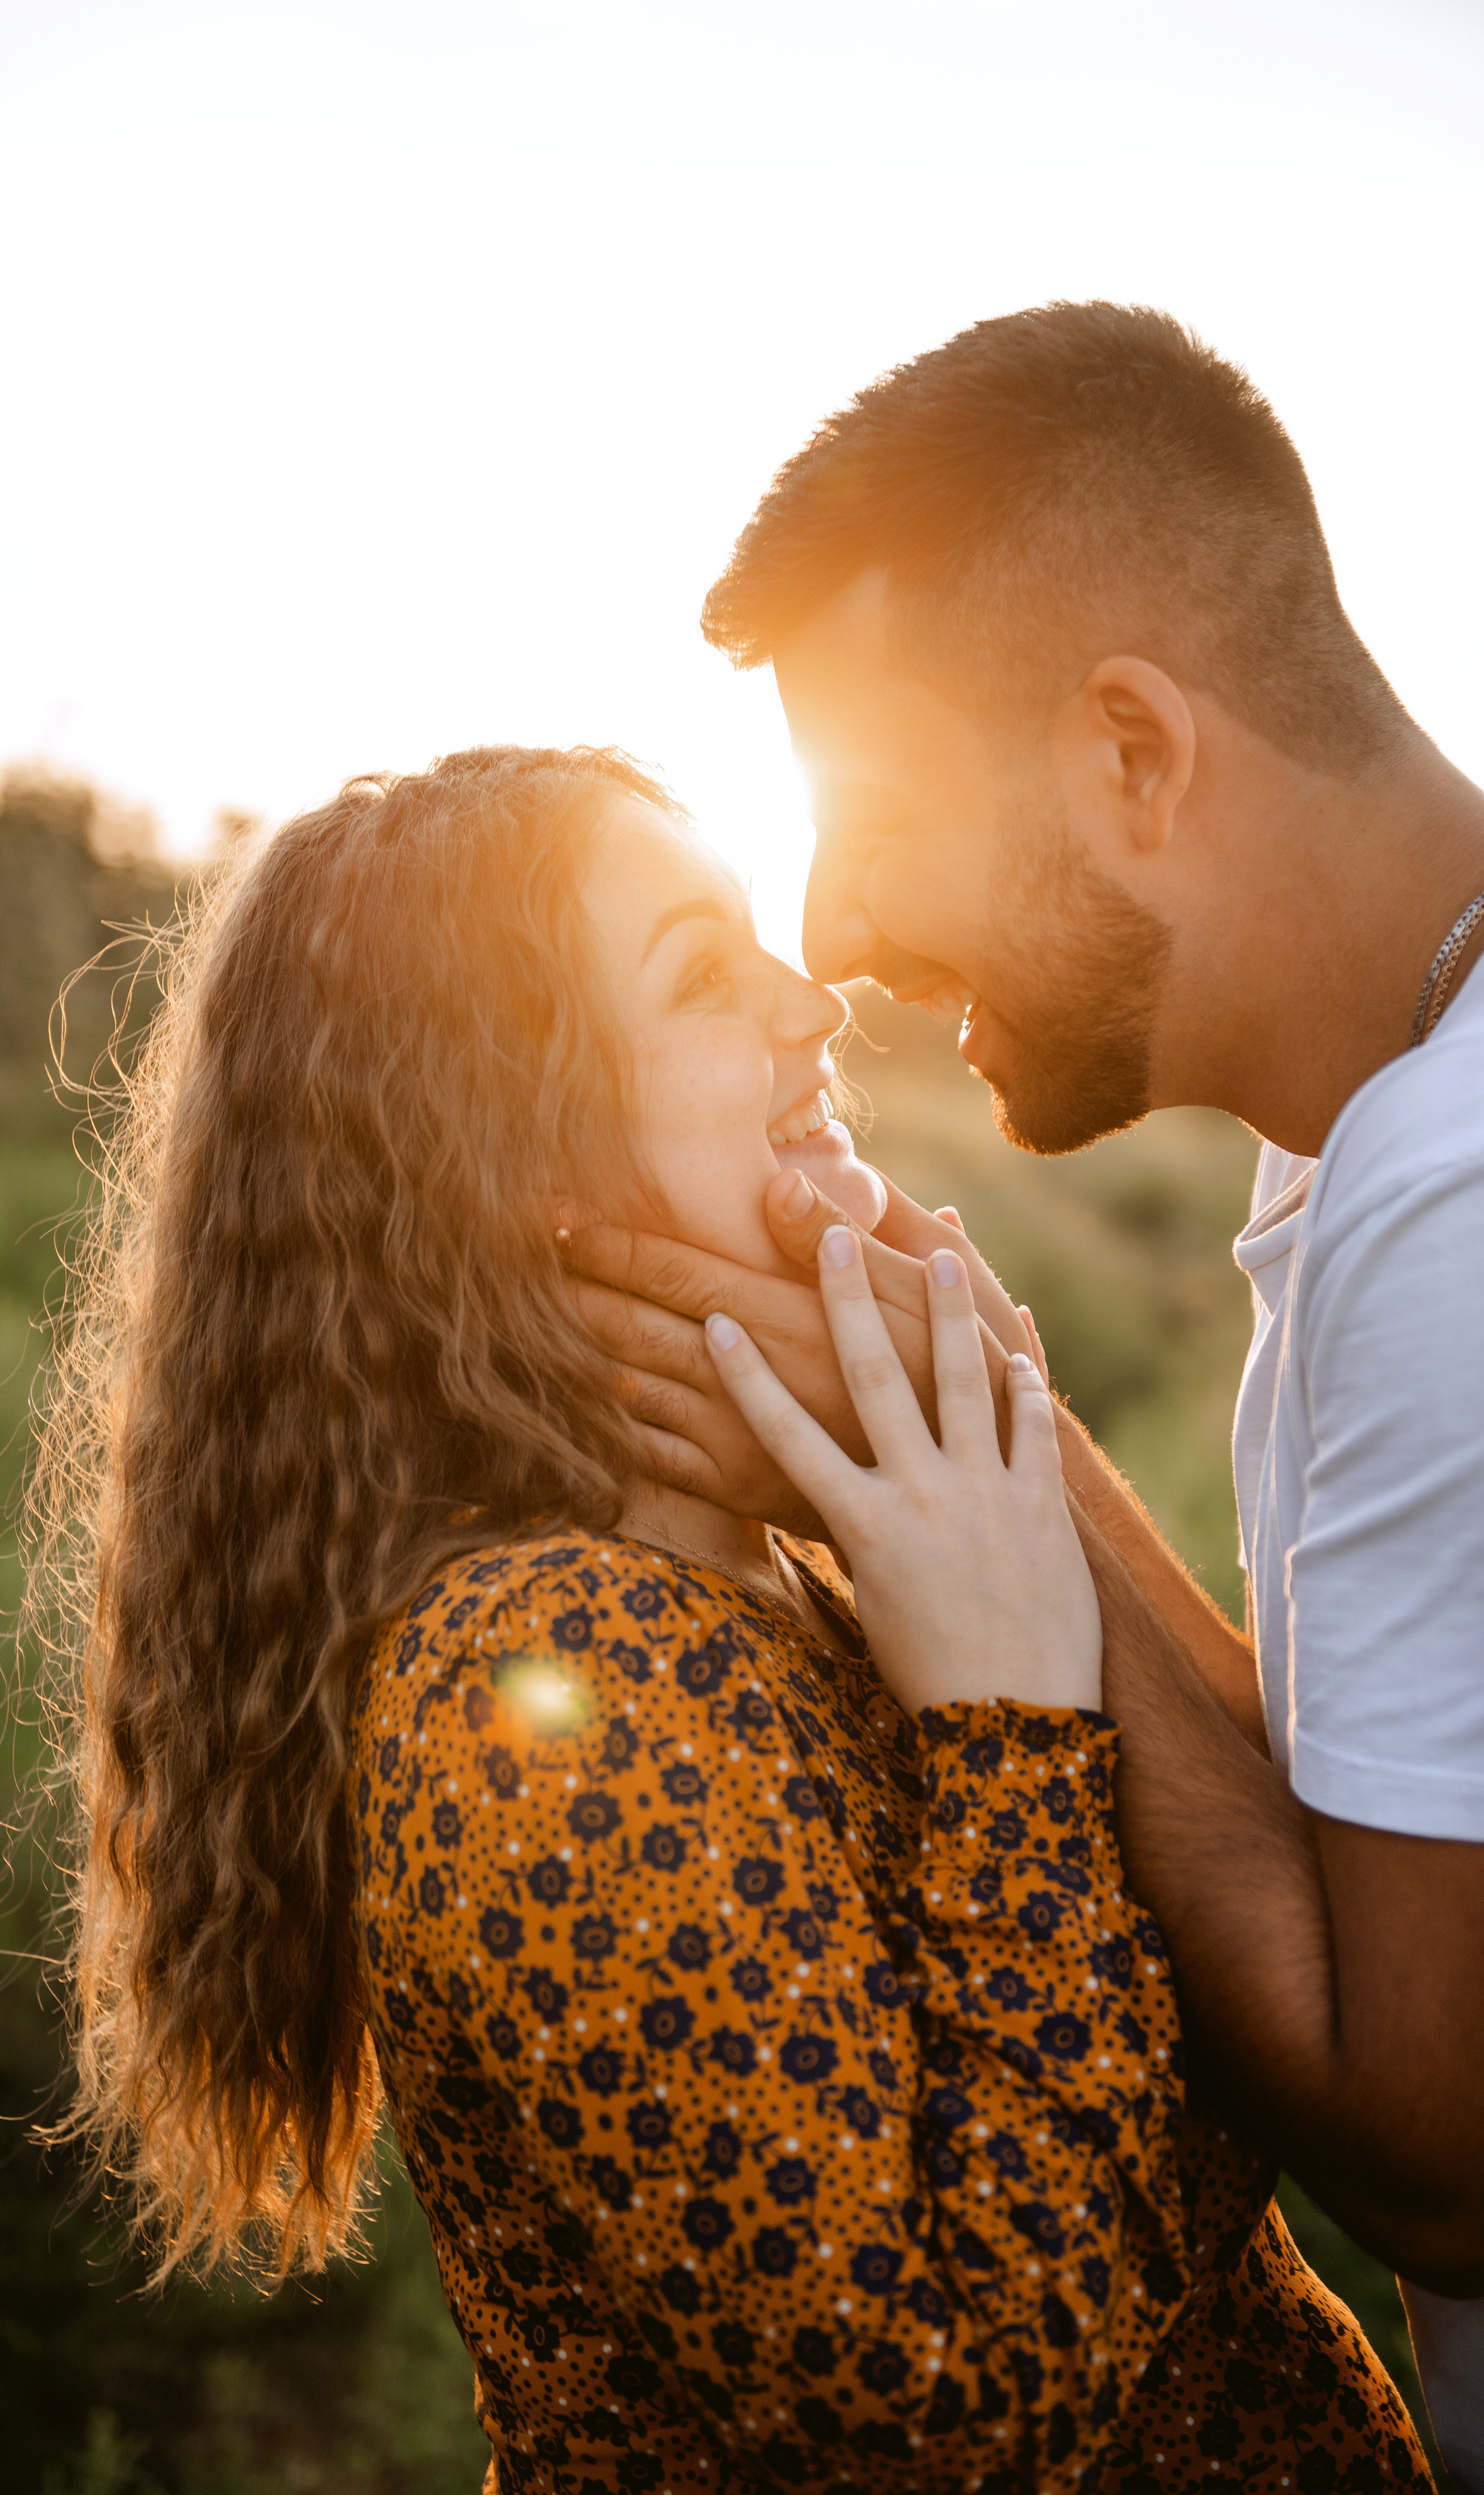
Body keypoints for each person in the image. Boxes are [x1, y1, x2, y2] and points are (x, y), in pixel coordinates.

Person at [25, 743, 1428, 2491]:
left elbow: (1280, 1895)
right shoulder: (542, 1692)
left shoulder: (806, 1575)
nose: (812, 1001)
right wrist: (1011, 1726)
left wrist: (998, 1429)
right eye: (701, 976)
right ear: (499, 1149)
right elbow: (956, 2420)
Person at [564, 301, 1484, 2487]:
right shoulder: (1373, 1142)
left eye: (876, 814)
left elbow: (1442, 2154)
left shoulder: (1453, 1196)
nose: (829, 933)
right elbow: (1373, 1843)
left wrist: (972, 1460)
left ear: (1136, 756)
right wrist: (991, 1412)